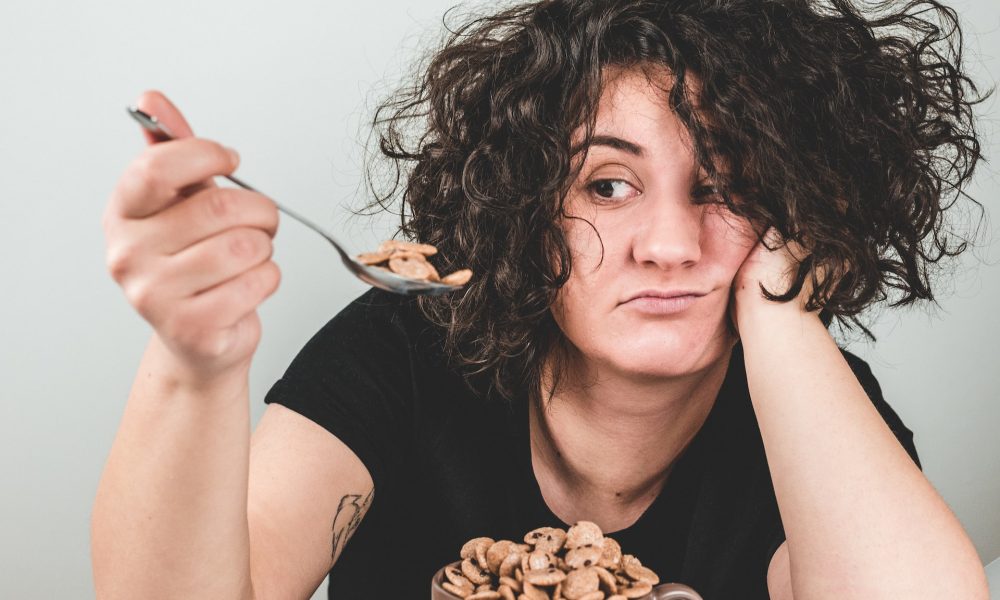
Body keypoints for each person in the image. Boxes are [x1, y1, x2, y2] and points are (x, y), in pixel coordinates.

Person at [91, 0, 992, 598]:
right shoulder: (403, 351)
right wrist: (190, 366)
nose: (671, 245)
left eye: (725, 186)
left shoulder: (812, 407)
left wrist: (786, 306)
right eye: (607, 185)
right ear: (526, 208)